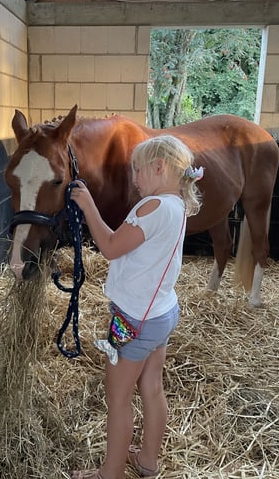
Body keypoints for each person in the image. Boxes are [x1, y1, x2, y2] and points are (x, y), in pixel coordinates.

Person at [69, 134, 204, 479]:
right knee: (152, 386)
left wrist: (88, 206)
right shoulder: (177, 205)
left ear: (159, 168)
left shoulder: (152, 207)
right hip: (160, 314)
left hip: (134, 319)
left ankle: (109, 473)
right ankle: (146, 461)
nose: (134, 179)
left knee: (117, 397)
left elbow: (112, 246)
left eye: (138, 170)